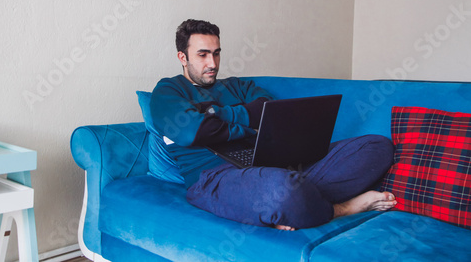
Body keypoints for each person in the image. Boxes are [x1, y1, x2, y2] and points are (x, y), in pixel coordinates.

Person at [150, 19, 397, 230]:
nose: (213, 63)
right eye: (202, 54)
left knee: (378, 146)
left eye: (216, 53)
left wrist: (216, 113)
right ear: (182, 57)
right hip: (215, 176)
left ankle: (296, 203)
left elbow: (267, 110)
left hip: (273, 162)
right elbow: (194, 131)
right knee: (283, 189)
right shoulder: (168, 91)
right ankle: (338, 208)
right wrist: (247, 125)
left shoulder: (236, 85)